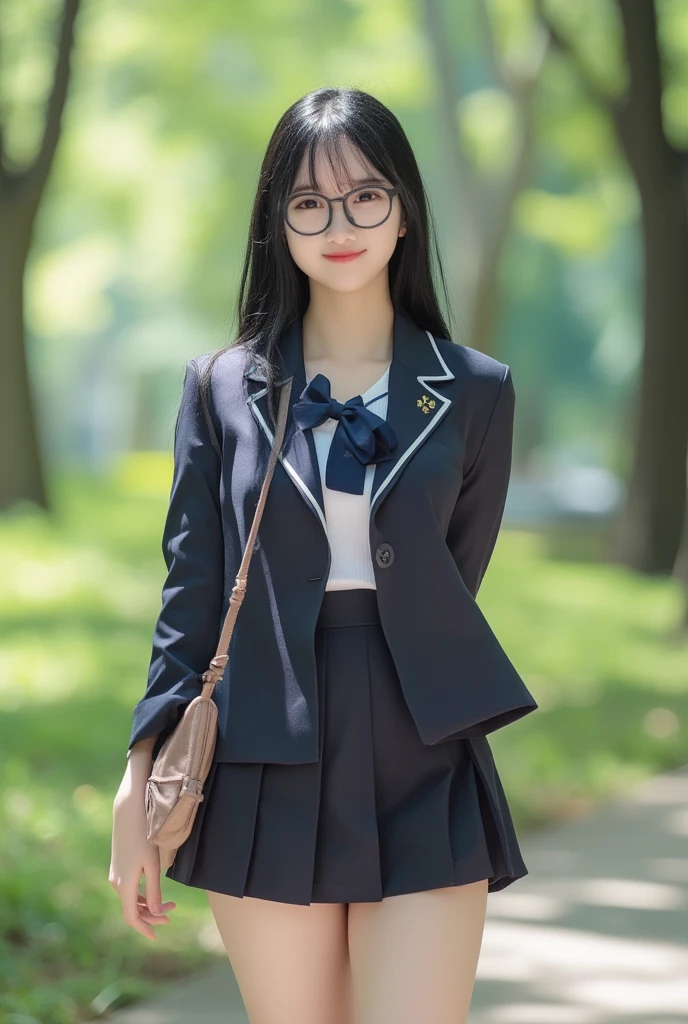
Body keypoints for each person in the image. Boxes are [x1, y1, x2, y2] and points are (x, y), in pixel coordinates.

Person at [110, 86, 538, 1024]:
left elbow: (453, 575)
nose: (338, 224)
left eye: (365, 196)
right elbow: (191, 597)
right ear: (278, 221)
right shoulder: (222, 388)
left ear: (404, 209)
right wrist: (138, 780)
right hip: (264, 744)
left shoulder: (475, 393)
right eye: (309, 201)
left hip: (423, 744)